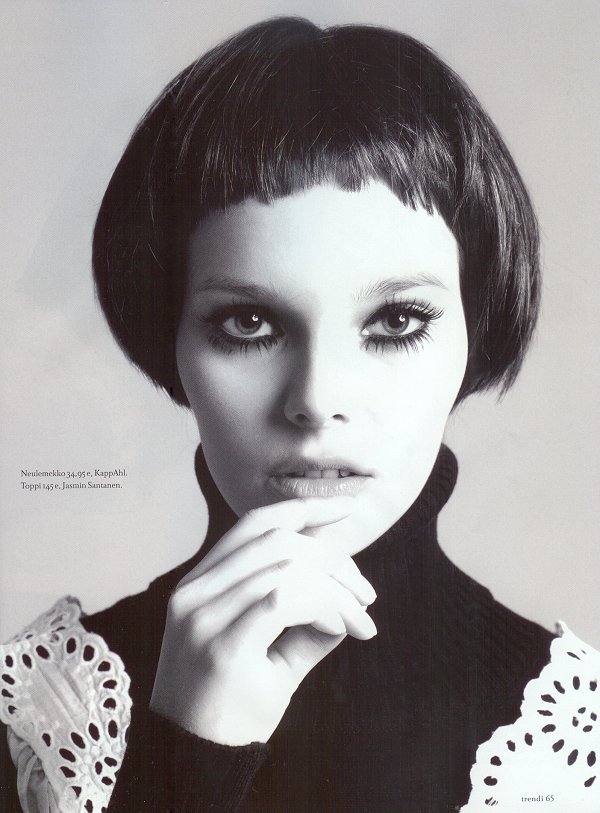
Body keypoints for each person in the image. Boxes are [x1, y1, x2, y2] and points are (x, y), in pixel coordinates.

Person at [2, 16, 599, 813]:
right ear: (170, 340)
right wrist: (184, 761)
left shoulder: (581, 741)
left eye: (396, 322)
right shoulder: (38, 715)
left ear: (476, 332)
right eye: (249, 323)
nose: (316, 399)